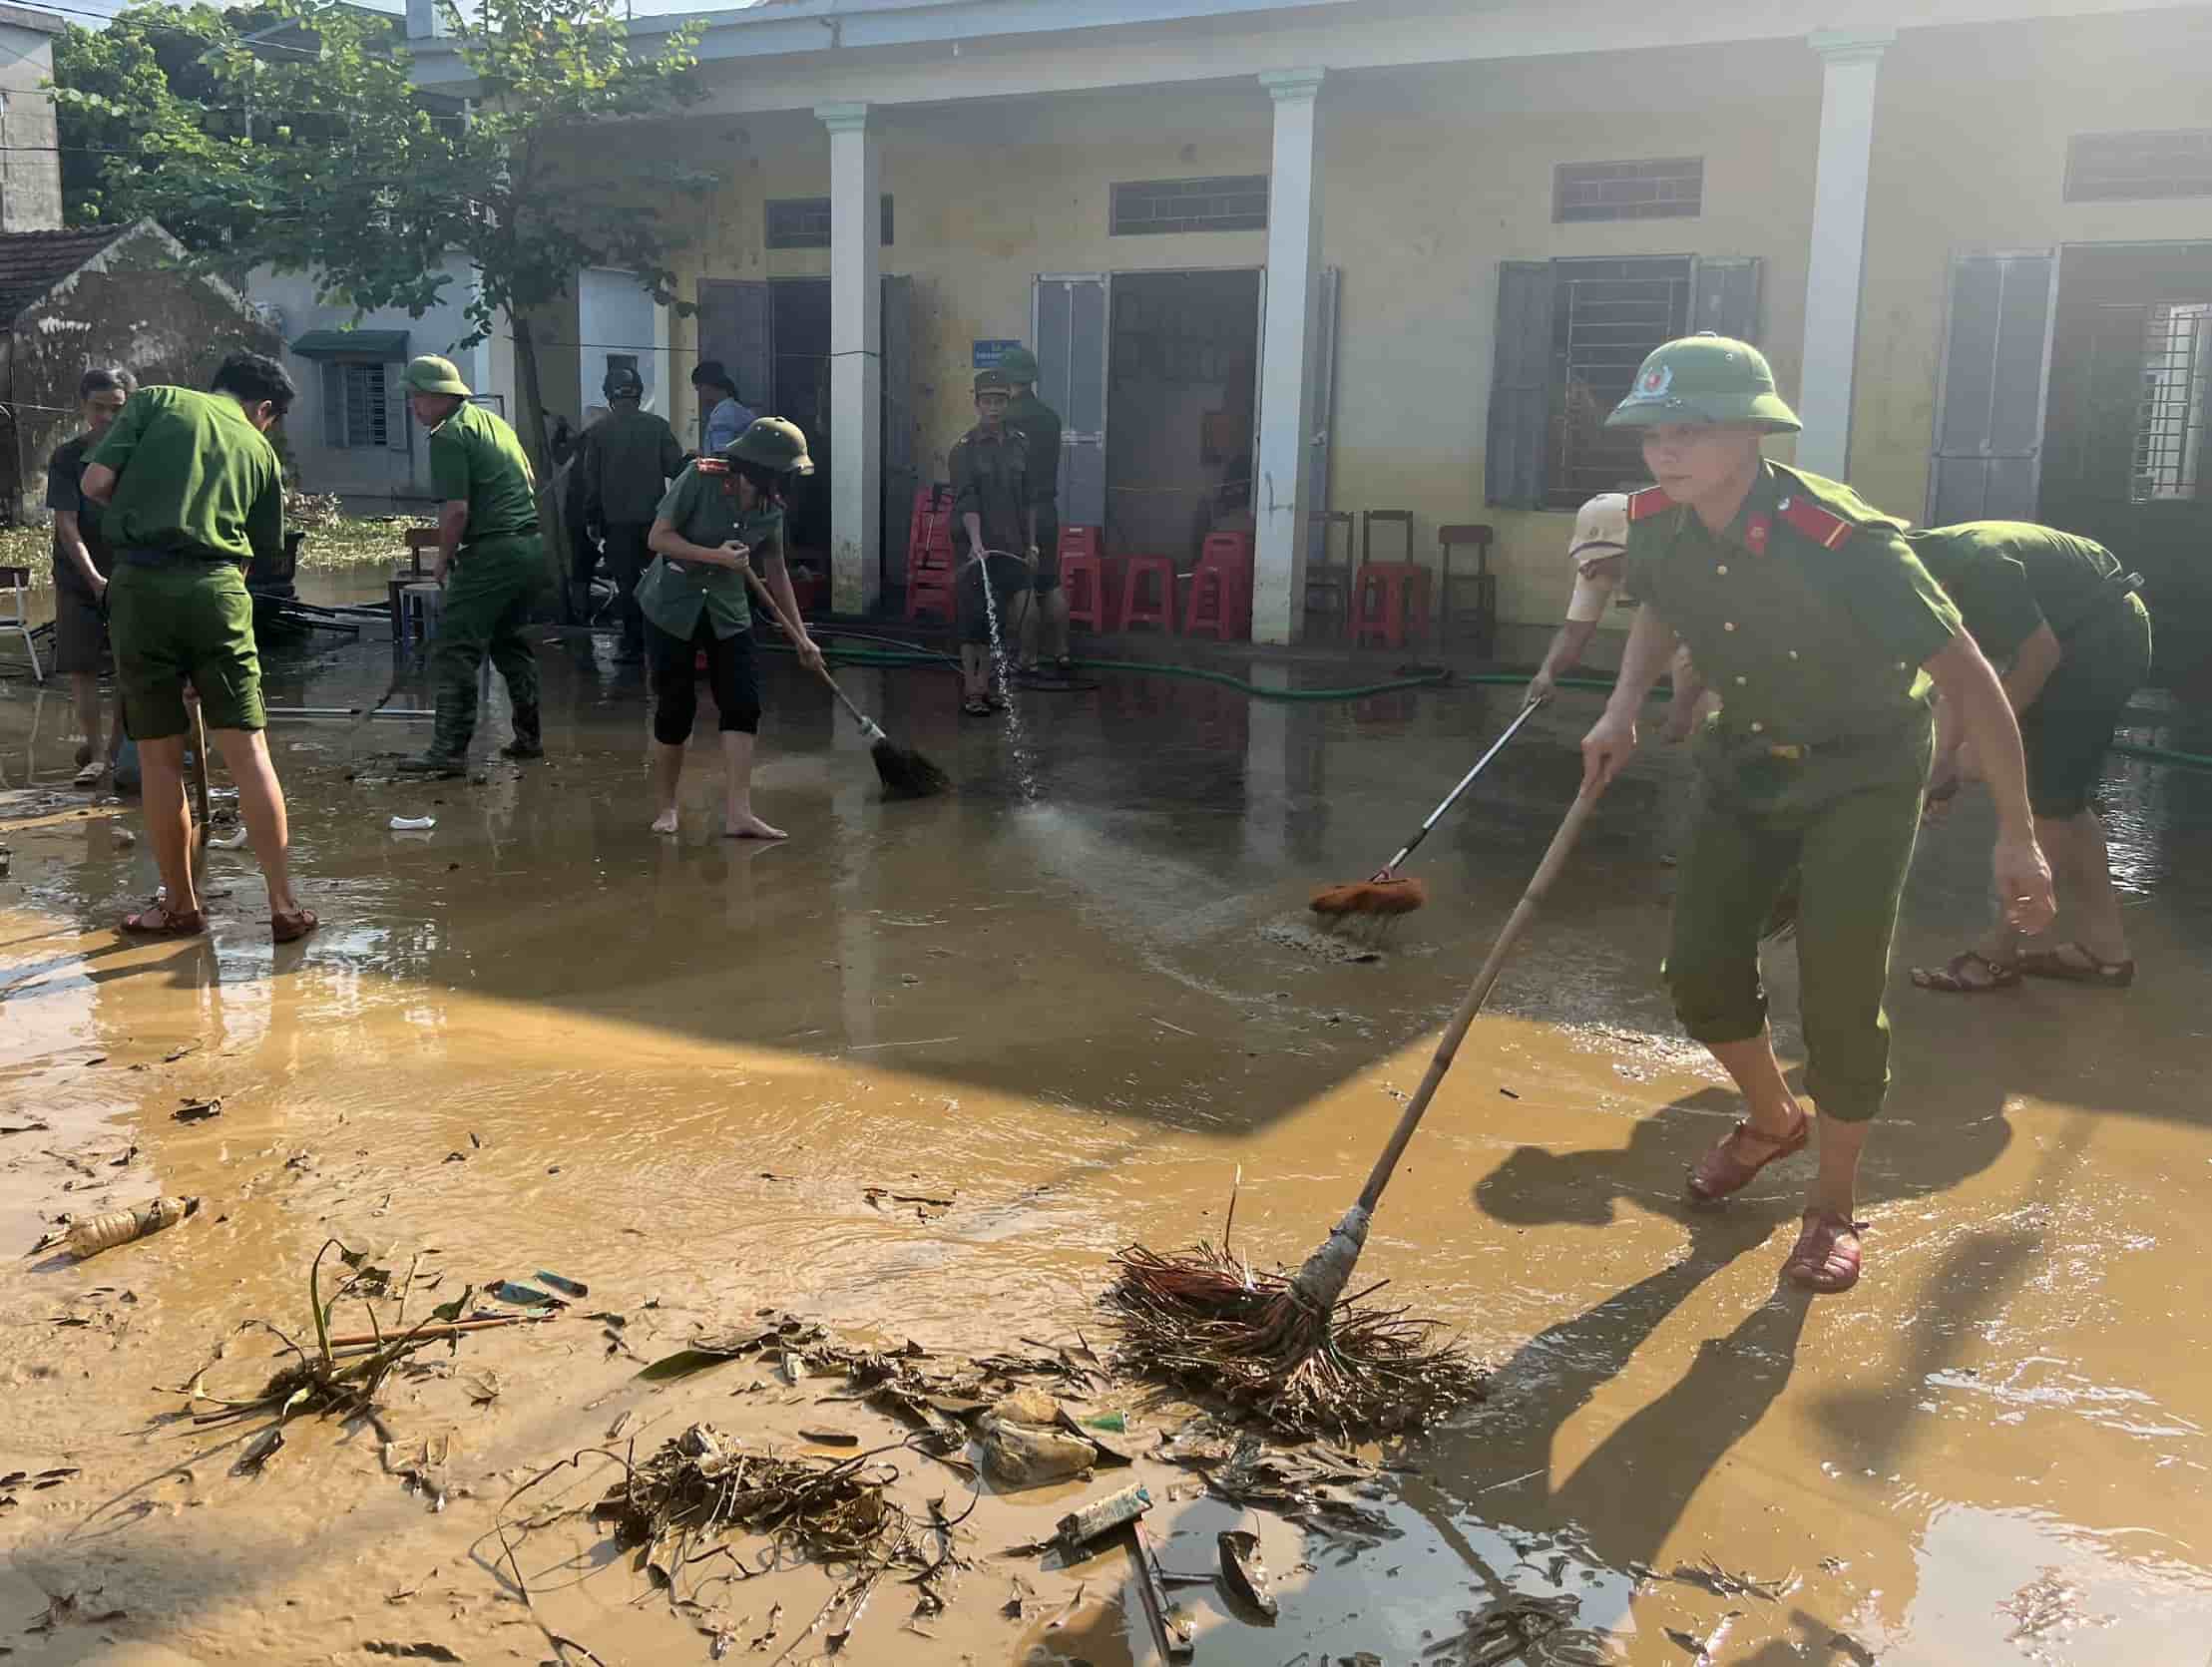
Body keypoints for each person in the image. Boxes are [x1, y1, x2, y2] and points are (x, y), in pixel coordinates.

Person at [1579, 334, 2053, 1293]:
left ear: (1752, 434)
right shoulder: (1658, 523)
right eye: (1651, 435)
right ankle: (1772, 1120)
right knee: (1700, 971)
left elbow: (1971, 678)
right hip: (1746, 754)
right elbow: (1658, 607)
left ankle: (1832, 1204)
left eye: (1688, 430)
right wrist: (1623, 705)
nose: (1663, 452)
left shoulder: (1843, 539)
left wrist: (2017, 835)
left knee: (1839, 991)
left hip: (1865, 771)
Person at [79, 350, 316, 943]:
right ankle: (285, 908)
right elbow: (261, 553)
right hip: (218, 592)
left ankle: (181, 907)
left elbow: (95, 482)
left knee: (159, 760)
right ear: (264, 408)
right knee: (250, 752)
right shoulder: (260, 450)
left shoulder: (156, 401)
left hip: (138, 589)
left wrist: (148, 509)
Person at [1905, 521, 2152, 993]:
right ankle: (2106, 953)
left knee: (2046, 809)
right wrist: (1940, 767)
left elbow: (2038, 657)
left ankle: (1997, 956)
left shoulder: (1979, 567)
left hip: (2099, 644)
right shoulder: (1932, 572)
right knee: (2064, 802)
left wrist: (1985, 739)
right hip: (2076, 639)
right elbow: (1962, 683)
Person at [640, 418, 823, 838]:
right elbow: (659, 538)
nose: (787, 483)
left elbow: (776, 571)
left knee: (742, 702)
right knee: (675, 707)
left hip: (727, 609)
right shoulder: (700, 479)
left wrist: (801, 637)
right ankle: (667, 808)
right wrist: (715, 557)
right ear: (759, 469)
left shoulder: (771, 507)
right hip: (671, 605)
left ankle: (739, 813)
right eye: (783, 474)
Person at [397, 355, 547, 775]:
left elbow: (457, 511)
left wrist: (441, 561)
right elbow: (529, 481)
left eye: (418, 398)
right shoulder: (492, 423)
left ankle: (448, 752)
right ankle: (529, 737)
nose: (414, 407)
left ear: (439, 397)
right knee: (508, 642)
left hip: (493, 553)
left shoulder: (449, 434)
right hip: (529, 549)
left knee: (455, 649)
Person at [47, 366, 135, 787]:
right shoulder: (67, 457)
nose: (107, 418)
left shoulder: (136, 453)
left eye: (116, 408)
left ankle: (116, 750)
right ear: (83, 407)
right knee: (82, 667)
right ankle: (95, 753)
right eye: (98, 408)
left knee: (126, 664)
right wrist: (95, 579)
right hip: (77, 576)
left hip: (129, 574)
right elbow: (67, 525)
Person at [579, 368, 685, 661]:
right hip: (655, 523)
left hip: (616, 524)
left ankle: (632, 645)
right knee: (656, 583)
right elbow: (675, 468)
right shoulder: (658, 427)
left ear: (609, 395)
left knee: (626, 585)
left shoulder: (598, 432)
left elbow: (592, 483)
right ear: (638, 393)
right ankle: (660, 643)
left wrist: (592, 520)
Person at [948, 368, 1036, 716]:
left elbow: (1029, 500)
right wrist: (975, 543)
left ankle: (997, 685)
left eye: (1000, 401)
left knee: (1008, 615)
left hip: (1012, 545)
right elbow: (966, 500)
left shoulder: (1021, 443)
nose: (994, 408)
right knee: (975, 620)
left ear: (1007, 403)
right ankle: (974, 689)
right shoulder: (963, 450)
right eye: (987, 401)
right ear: (977, 404)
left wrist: (1033, 545)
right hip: (976, 547)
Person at [998, 345, 1070, 676]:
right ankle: (1062, 652)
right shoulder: (1051, 419)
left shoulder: (1006, 419)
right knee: (1049, 582)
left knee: (1020, 586)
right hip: (1048, 510)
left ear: (1009, 379)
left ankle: (1028, 656)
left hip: (1020, 514)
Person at [691, 360, 755, 457]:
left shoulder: (723, 415)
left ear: (708, 385)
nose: (699, 394)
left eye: (698, 388)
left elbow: (722, 457)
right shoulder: (735, 409)